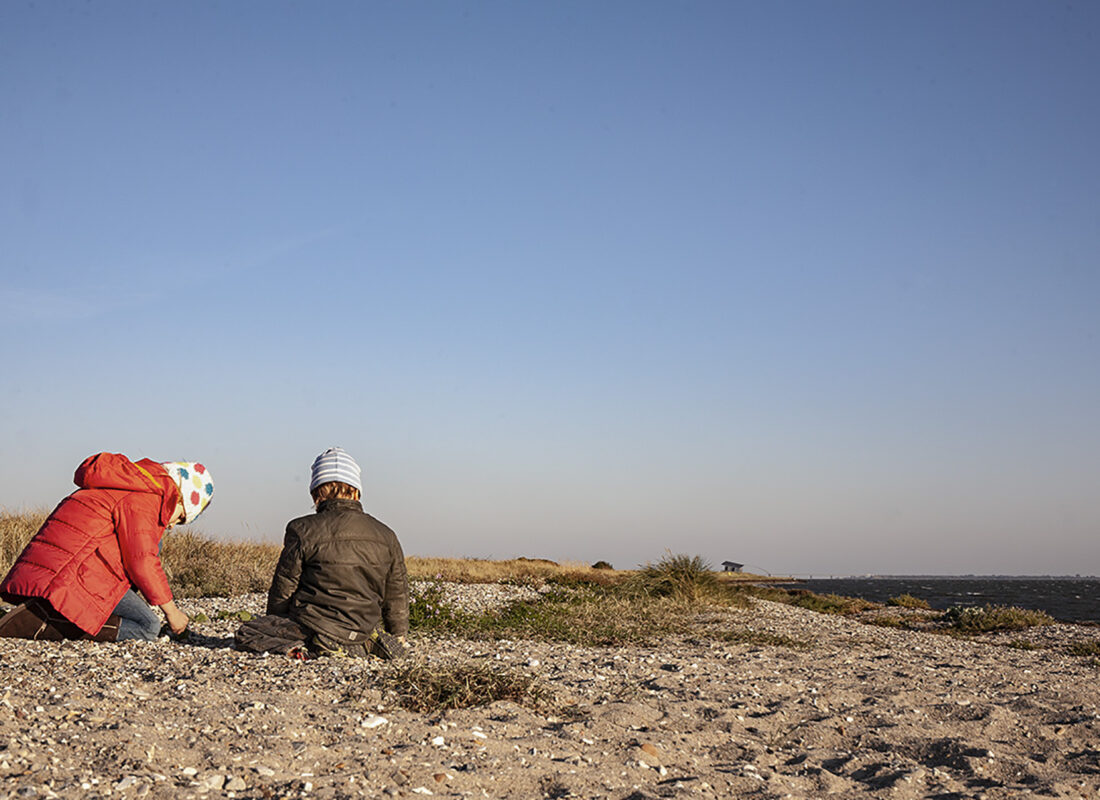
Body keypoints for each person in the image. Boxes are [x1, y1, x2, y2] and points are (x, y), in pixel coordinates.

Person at [0, 452, 214, 642]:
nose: (172, 525)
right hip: (73, 576)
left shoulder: (129, 485)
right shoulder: (146, 499)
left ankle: (47, 608)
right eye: (180, 517)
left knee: (153, 540)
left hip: (54, 571)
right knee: (148, 627)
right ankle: (45, 620)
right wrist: (172, 612)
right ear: (179, 498)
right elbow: (142, 560)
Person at [263, 447, 409, 657]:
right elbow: (397, 592)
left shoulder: (301, 529)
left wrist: (273, 622)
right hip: (364, 626)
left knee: (248, 633)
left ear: (316, 493)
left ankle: (317, 645)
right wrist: (398, 635)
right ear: (356, 491)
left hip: (315, 625)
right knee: (366, 632)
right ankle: (367, 642)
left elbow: (285, 586)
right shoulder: (387, 535)